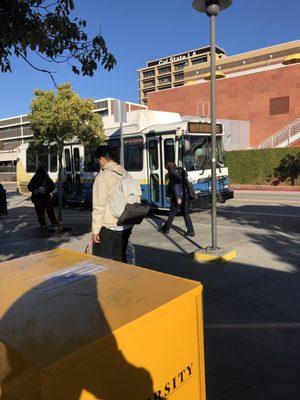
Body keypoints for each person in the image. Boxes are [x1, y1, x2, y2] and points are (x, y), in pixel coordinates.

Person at [92, 145, 133, 262]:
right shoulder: (125, 173)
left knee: (100, 261)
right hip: (126, 224)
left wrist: (95, 230)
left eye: (98, 160)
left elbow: (99, 206)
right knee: (120, 258)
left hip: (109, 226)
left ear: (102, 159)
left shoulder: (102, 177)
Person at [161, 162, 195, 236]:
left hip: (178, 197)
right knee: (186, 214)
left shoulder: (173, 175)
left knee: (172, 214)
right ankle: (191, 231)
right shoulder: (181, 172)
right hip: (185, 196)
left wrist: (178, 198)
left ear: (169, 168)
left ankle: (166, 229)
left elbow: (176, 187)